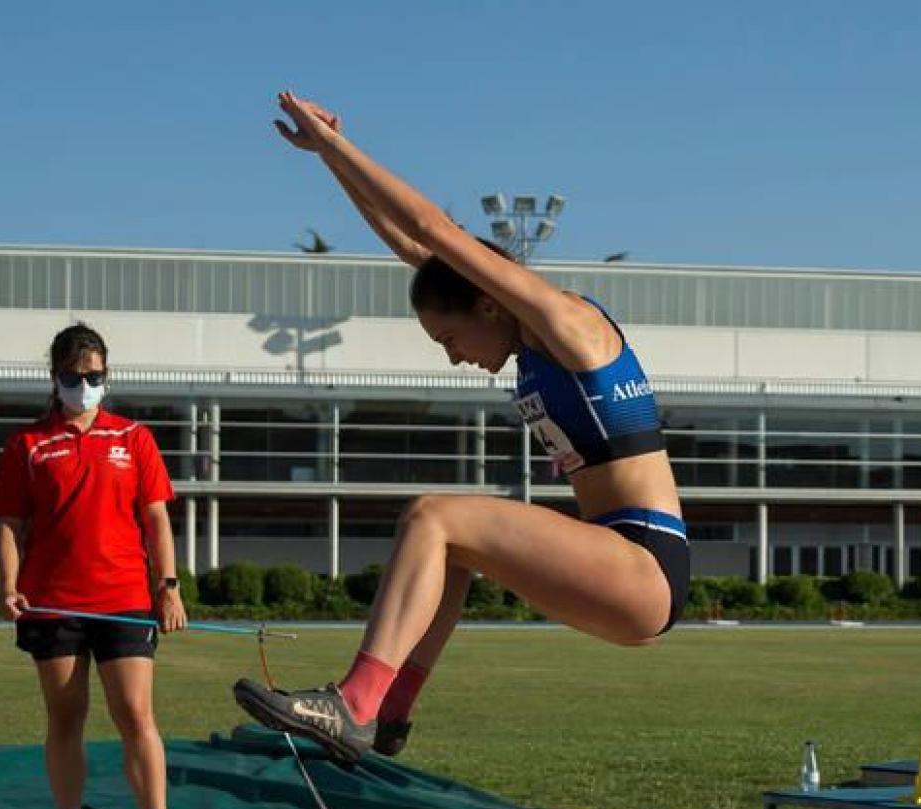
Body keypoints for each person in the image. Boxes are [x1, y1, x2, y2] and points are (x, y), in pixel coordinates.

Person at [234, 93, 690, 762]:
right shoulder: (520, 330)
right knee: (446, 550)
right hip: (611, 557)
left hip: (643, 564)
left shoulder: (566, 324)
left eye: (451, 337)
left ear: (488, 301)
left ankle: (355, 705)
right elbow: (419, 246)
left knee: (434, 517)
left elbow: (436, 228)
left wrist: (338, 146)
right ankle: (388, 717)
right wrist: (328, 164)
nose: (454, 357)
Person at [0, 324, 192, 809]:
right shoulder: (27, 444)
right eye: (75, 377)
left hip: (124, 599)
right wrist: (8, 587)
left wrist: (168, 587)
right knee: (65, 719)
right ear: (55, 379)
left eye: (95, 375)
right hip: (53, 604)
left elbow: (156, 517)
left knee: (137, 716)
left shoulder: (134, 438)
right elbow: (9, 523)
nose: (86, 385)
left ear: (108, 375)